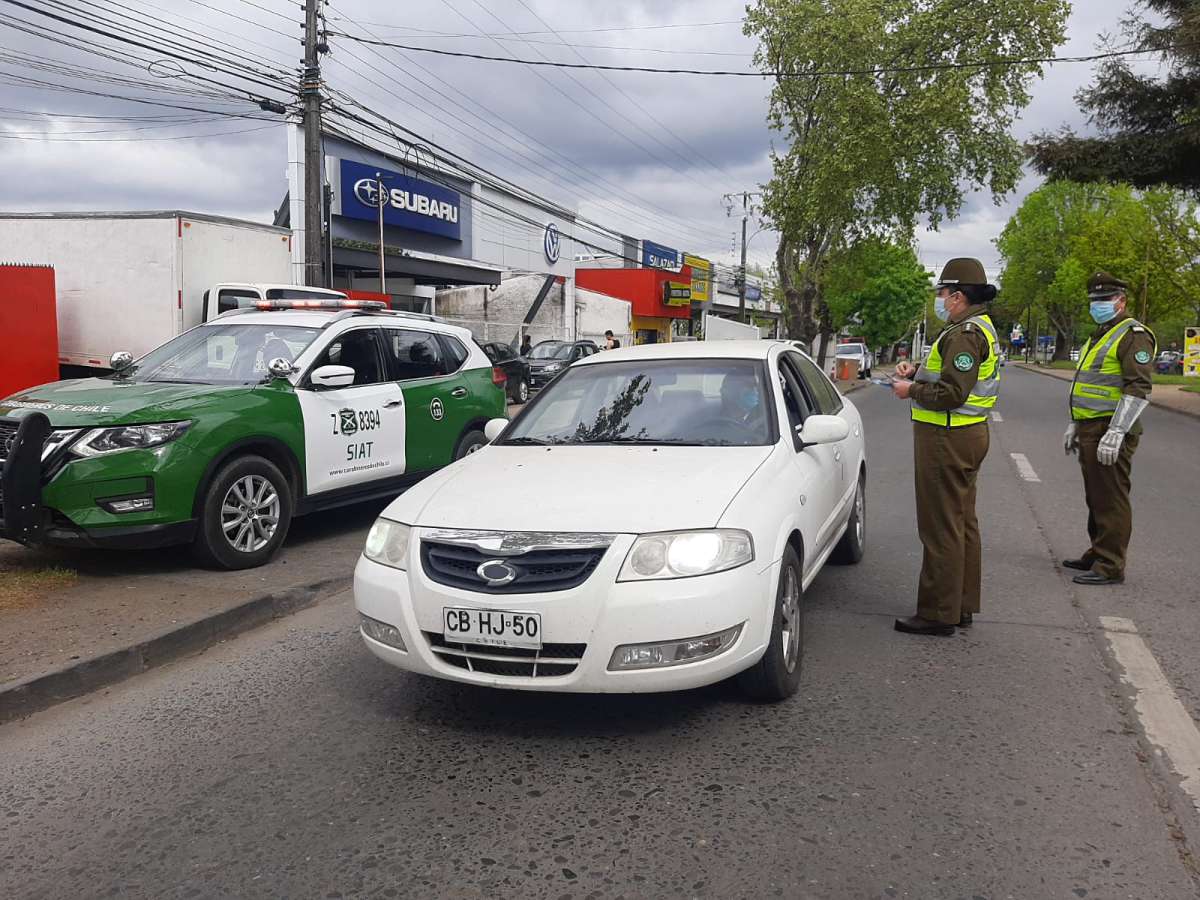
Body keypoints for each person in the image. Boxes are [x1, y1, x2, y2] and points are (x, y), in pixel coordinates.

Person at [889, 258, 1001, 635]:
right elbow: (951, 373)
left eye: (941, 293)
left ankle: (938, 613)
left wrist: (910, 390)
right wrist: (917, 370)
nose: (939, 299)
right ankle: (960, 604)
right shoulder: (974, 328)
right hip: (966, 435)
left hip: (947, 437)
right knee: (962, 522)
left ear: (957, 296)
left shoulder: (965, 333)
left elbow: (952, 392)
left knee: (940, 527)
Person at [1062, 272, 1156, 586]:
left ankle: (1111, 564)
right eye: (1094, 300)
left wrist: (1116, 432)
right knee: (1096, 495)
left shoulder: (1133, 334)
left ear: (1121, 301)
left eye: (1104, 300)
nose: (1098, 305)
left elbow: (1138, 387)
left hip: (1110, 427)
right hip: (1091, 426)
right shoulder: (1102, 333)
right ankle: (1098, 550)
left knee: (1112, 497)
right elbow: (1088, 383)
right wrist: (1075, 424)